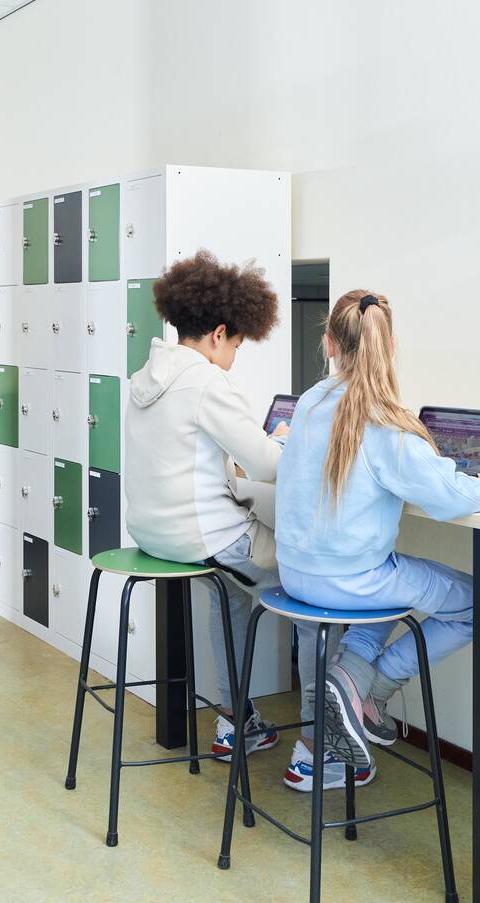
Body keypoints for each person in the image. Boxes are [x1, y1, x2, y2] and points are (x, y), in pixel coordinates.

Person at [124, 250, 369, 792]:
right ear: (218, 334)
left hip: (156, 536)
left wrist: (257, 450)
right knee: (312, 586)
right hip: (208, 538)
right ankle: (321, 746)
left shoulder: (147, 376)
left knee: (231, 594)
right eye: (236, 344)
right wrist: (289, 443)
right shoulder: (207, 382)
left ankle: (237, 722)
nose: (234, 355)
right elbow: (268, 467)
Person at [274, 290, 480, 767]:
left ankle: (351, 674)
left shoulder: (309, 402)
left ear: (329, 344)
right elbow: (451, 497)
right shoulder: (385, 422)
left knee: (397, 576)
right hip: (350, 582)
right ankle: (374, 686)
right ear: (389, 347)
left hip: (295, 575)